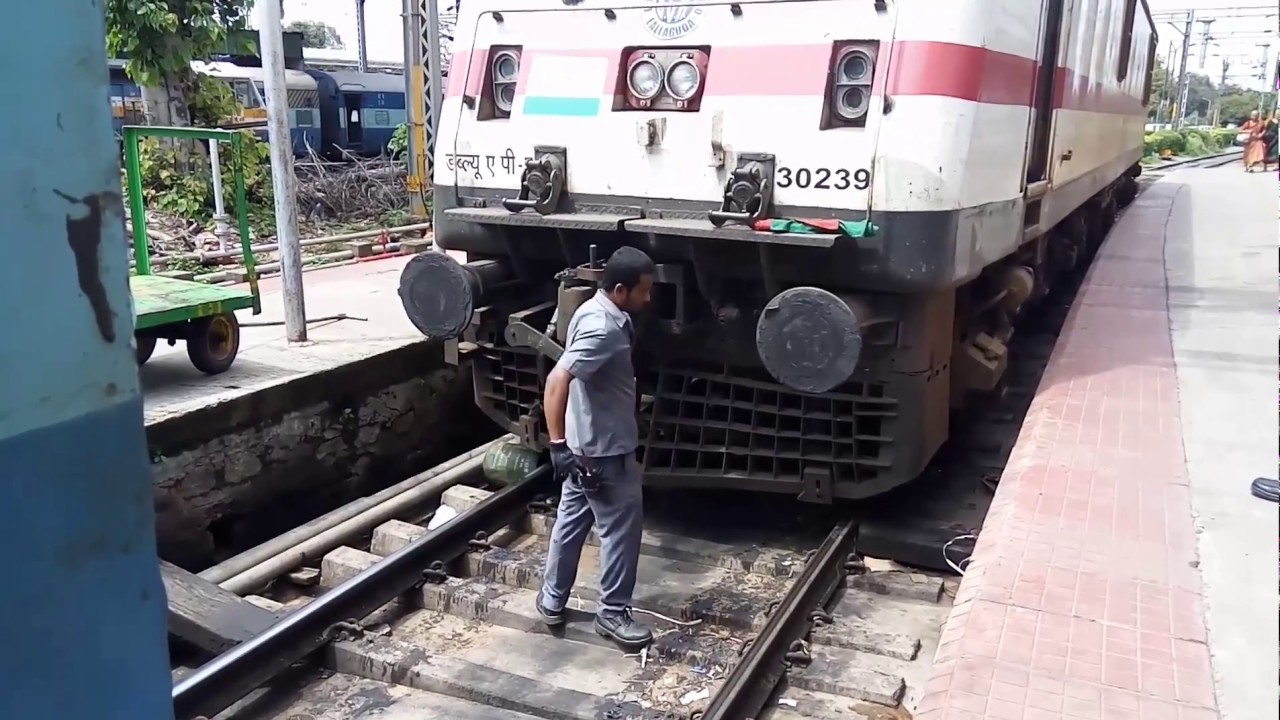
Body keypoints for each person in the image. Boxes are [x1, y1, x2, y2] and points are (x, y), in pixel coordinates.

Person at [535, 246, 657, 652]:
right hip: (605, 451)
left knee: (571, 522)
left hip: (584, 446)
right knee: (621, 531)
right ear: (620, 290)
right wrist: (555, 445)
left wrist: (566, 446)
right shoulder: (602, 328)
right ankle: (613, 612)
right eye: (644, 290)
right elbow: (557, 381)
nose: (648, 298)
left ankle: (552, 599)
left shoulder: (591, 310)